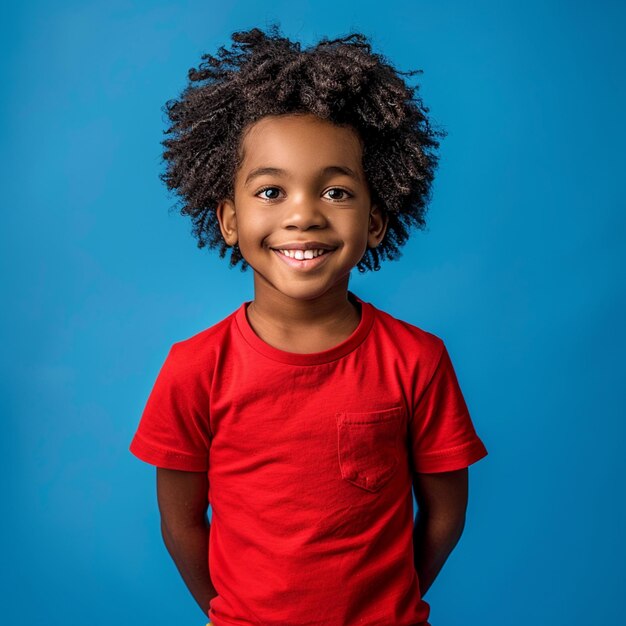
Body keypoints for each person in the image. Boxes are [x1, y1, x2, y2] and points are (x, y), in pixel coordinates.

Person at [129, 24, 488, 626]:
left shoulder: (417, 360)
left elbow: (445, 514)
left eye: (337, 192)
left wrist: (392, 604)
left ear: (375, 221)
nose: (303, 215)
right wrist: (231, 613)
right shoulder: (195, 368)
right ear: (228, 220)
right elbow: (181, 523)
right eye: (271, 190)